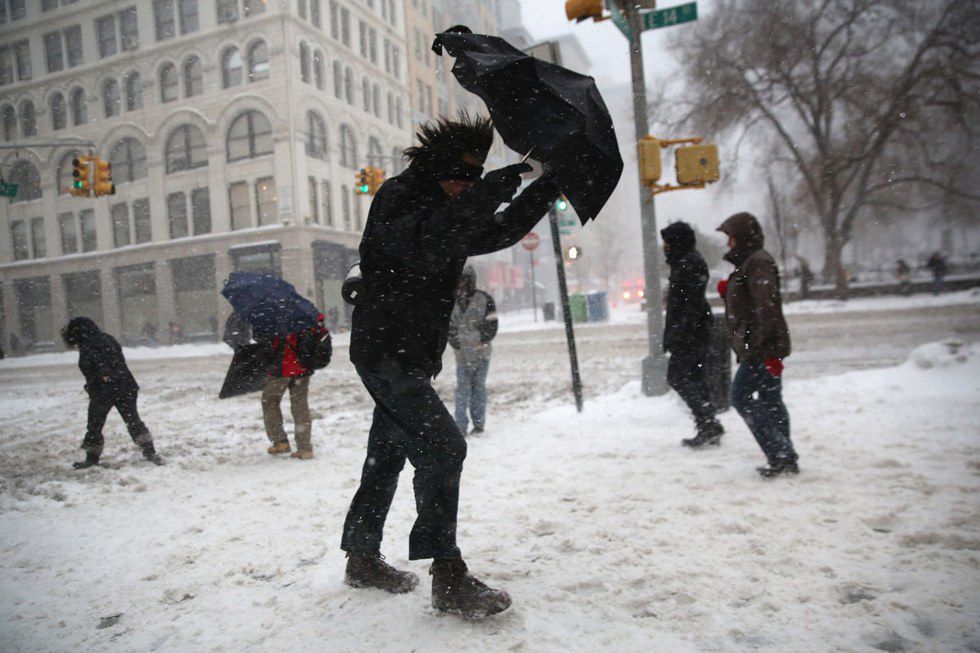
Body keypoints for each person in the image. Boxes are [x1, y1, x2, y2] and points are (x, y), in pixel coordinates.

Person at [341, 113, 560, 619]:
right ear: (438, 166)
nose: (467, 185)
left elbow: (499, 230)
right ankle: (448, 575)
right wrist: (493, 188)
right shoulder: (399, 198)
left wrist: (549, 185)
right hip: (385, 352)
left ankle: (361, 557)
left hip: (411, 356)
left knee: (386, 455)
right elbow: (431, 239)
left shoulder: (450, 207)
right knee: (444, 447)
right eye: (462, 176)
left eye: (475, 177)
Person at [716, 212, 799, 478]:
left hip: (761, 347)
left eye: (730, 237)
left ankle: (781, 453)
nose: (728, 243)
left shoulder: (758, 262)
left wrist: (766, 349)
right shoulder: (751, 262)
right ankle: (784, 456)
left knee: (739, 396)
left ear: (741, 237)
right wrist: (729, 291)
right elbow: (753, 299)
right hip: (763, 345)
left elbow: (766, 306)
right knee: (771, 400)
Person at [61, 317, 163, 468]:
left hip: (104, 391)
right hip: (125, 386)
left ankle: (91, 458)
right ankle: (150, 452)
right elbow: (115, 359)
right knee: (133, 420)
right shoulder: (107, 339)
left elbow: (97, 363)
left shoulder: (88, 345)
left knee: (95, 425)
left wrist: (104, 374)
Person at [661, 221, 724, 448]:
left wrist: (679, 333)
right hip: (692, 331)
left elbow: (689, 304)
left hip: (690, 333)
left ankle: (707, 421)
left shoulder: (689, 264)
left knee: (677, 376)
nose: (665, 247)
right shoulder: (685, 262)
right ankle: (709, 422)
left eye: (667, 242)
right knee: (696, 378)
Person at [256, 317, 328, 460]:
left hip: (283, 366)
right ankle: (305, 448)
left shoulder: (275, 316)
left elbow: (268, 341)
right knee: (300, 405)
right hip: (303, 367)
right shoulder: (306, 314)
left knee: (269, 401)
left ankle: (280, 441)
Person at [448, 265, 498, 436]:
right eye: (460, 279)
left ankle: (479, 424)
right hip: (462, 355)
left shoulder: (485, 299)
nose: (462, 283)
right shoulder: (451, 302)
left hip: (481, 353)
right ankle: (460, 426)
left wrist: (482, 340)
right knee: (462, 390)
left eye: (465, 280)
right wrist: (457, 344)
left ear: (471, 281)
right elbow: (448, 327)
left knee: (478, 389)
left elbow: (492, 324)